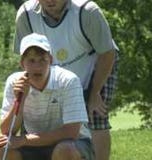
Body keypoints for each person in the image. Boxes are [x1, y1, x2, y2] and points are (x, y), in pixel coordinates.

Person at [13, 0, 119, 160]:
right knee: (40, 120)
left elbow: (107, 53)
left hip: (95, 68)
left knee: (96, 116)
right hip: (52, 76)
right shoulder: (26, 15)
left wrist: (95, 92)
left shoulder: (87, 11)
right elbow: (27, 58)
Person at [0, 33, 94, 160]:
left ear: (51, 60)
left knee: (65, 150)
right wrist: (20, 100)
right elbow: (7, 130)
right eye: (31, 60)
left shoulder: (68, 80)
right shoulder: (14, 82)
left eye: (42, 60)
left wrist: (23, 140)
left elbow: (71, 132)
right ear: (22, 63)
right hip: (33, 143)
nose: (37, 67)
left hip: (74, 143)